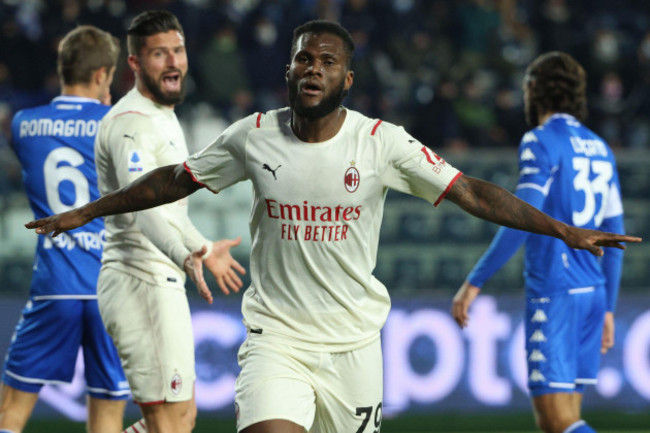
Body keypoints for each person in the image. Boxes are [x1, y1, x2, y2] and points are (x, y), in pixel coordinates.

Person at [26, 22, 640, 433]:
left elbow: (471, 191)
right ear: (288, 72)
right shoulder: (253, 134)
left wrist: (564, 230)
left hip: (352, 345)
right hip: (277, 340)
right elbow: (172, 181)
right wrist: (90, 210)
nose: (312, 68)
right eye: (302, 59)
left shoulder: (382, 143)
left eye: (327, 61)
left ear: (346, 80)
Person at [451, 52, 626, 433]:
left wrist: (474, 281)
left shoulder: (539, 141)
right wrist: (608, 307)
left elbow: (519, 217)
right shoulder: (601, 147)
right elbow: (616, 234)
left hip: (557, 291)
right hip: (592, 292)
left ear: (534, 89)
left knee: (556, 422)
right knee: (566, 420)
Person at [93, 10, 246, 433]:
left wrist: (201, 246)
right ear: (135, 64)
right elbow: (141, 209)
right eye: (159, 54)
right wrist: (186, 254)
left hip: (160, 281)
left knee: (182, 419)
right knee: (170, 425)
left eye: (177, 51)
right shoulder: (132, 126)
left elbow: (167, 208)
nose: (173, 61)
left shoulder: (162, 114)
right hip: (139, 280)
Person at [0, 26, 129, 433]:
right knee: (107, 411)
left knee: (11, 411)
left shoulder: (23, 124)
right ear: (102, 75)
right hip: (109, 288)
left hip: (54, 285)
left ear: (61, 69)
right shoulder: (118, 121)